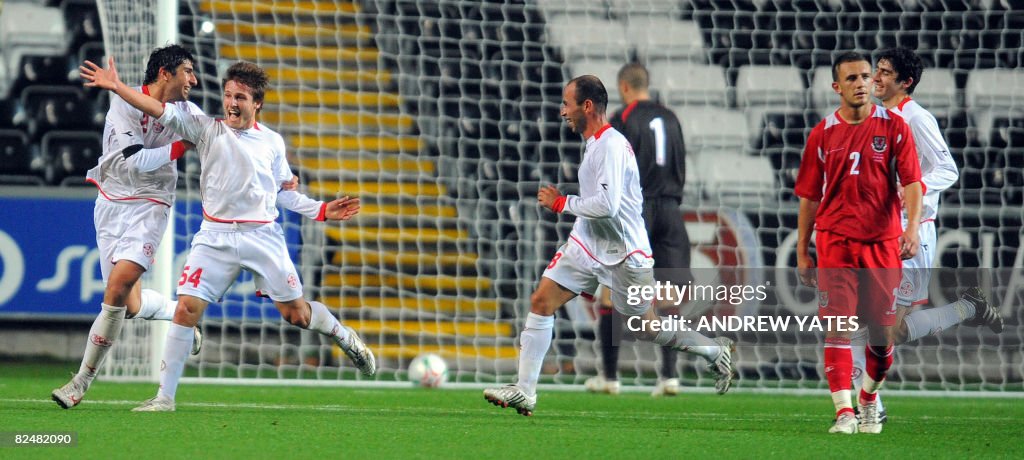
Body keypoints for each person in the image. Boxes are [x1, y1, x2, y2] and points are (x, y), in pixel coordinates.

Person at [81, 57, 376, 412]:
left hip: (262, 236)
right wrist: (117, 87)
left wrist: (322, 210)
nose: (233, 103)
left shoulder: (272, 143)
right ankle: (165, 397)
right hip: (215, 237)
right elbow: (157, 108)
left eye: (241, 98)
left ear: (257, 104)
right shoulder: (205, 129)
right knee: (186, 309)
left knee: (295, 315)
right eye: (229, 95)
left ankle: (345, 337)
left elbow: (283, 191)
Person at [482, 75, 734, 416]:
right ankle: (525, 391)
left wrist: (562, 203)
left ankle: (713, 351)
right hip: (589, 243)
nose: (563, 111)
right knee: (541, 301)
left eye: (567, 104)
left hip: (625, 253)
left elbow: (608, 205)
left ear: (587, 106)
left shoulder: (611, 145)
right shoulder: (595, 142)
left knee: (648, 327)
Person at [851, 46, 1005, 422]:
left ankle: (871, 406)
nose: (876, 78)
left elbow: (948, 169)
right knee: (878, 326)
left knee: (883, 330)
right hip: (881, 233)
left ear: (905, 82)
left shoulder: (916, 118)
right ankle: (969, 307)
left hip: (911, 234)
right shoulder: (879, 118)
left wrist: (910, 189)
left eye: (885, 72)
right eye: (877, 70)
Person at [52, 45, 206, 409]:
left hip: (152, 204)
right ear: (165, 73)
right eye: (188, 71)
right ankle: (176, 313)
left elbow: (220, 140)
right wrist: (180, 147)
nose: (194, 80)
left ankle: (79, 382)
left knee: (117, 286)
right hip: (111, 202)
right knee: (130, 304)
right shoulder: (123, 102)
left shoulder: (189, 113)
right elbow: (137, 163)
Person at [796, 51, 923, 434]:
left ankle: (868, 397)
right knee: (838, 326)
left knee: (882, 335)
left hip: (882, 244)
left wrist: (911, 228)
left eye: (866, 76)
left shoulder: (896, 128)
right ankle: (844, 413)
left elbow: (914, 182)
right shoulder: (822, 133)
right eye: (851, 78)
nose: (861, 83)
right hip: (835, 241)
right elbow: (809, 196)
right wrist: (803, 249)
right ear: (837, 87)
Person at [584, 63, 693, 397]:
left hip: (637, 211)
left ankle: (610, 377)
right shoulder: (671, 117)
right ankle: (669, 377)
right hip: (672, 209)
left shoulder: (622, 120)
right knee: (669, 297)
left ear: (623, 86)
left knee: (611, 290)